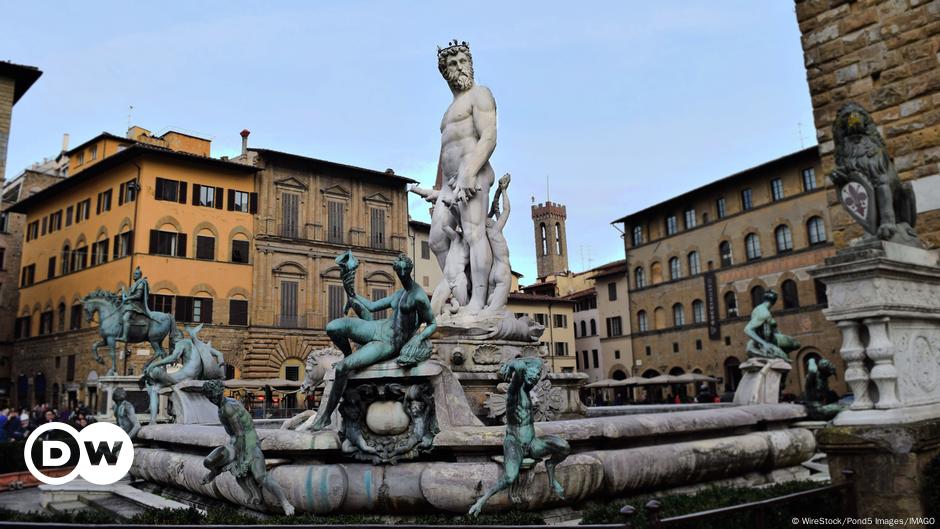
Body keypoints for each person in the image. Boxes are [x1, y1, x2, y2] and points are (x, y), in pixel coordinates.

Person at [312, 254, 436, 431]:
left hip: (389, 343)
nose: (401, 273)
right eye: (398, 270)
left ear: (409, 270)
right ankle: (349, 355)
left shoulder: (418, 296)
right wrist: (352, 292)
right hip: (378, 327)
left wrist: (419, 337)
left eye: (404, 270)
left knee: (342, 368)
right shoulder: (399, 293)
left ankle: (325, 417)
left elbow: (432, 323)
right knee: (333, 327)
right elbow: (371, 306)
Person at [428, 40, 498, 314]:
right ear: (445, 72)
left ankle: (479, 303)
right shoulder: (447, 112)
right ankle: (461, 297)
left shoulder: (480, 94)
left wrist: (469, 170)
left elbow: (489, 136)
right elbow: (446, 150)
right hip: (449, 184)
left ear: (470, 64)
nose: (459, 68)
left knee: (473, 233)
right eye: (452, 64)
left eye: (462, 62)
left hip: (473, 173)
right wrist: (440, 188)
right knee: (436, 240)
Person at [201, 380, 294, 515]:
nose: (212, 400)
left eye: (214, 396)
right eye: (210, 397)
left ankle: (285, 503)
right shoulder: (226, 404)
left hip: (248, 443)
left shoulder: (228, 408)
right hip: (235, 443)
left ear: (219, 392)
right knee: (208, 461)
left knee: (261, 476)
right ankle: (214, 472)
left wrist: (241, 459)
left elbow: (240, 434)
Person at [119, 267, 154, 342]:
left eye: (136, 274)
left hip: (136, 306)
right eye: (134, 274)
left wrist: (127, 298)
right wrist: (124, 292)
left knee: (125, 318)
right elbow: (129, 295)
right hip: (130, 304)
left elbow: (138, 296)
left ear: (140, 275)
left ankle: (124, 336)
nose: (134, 275)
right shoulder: (134, 284)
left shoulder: (141, 283)